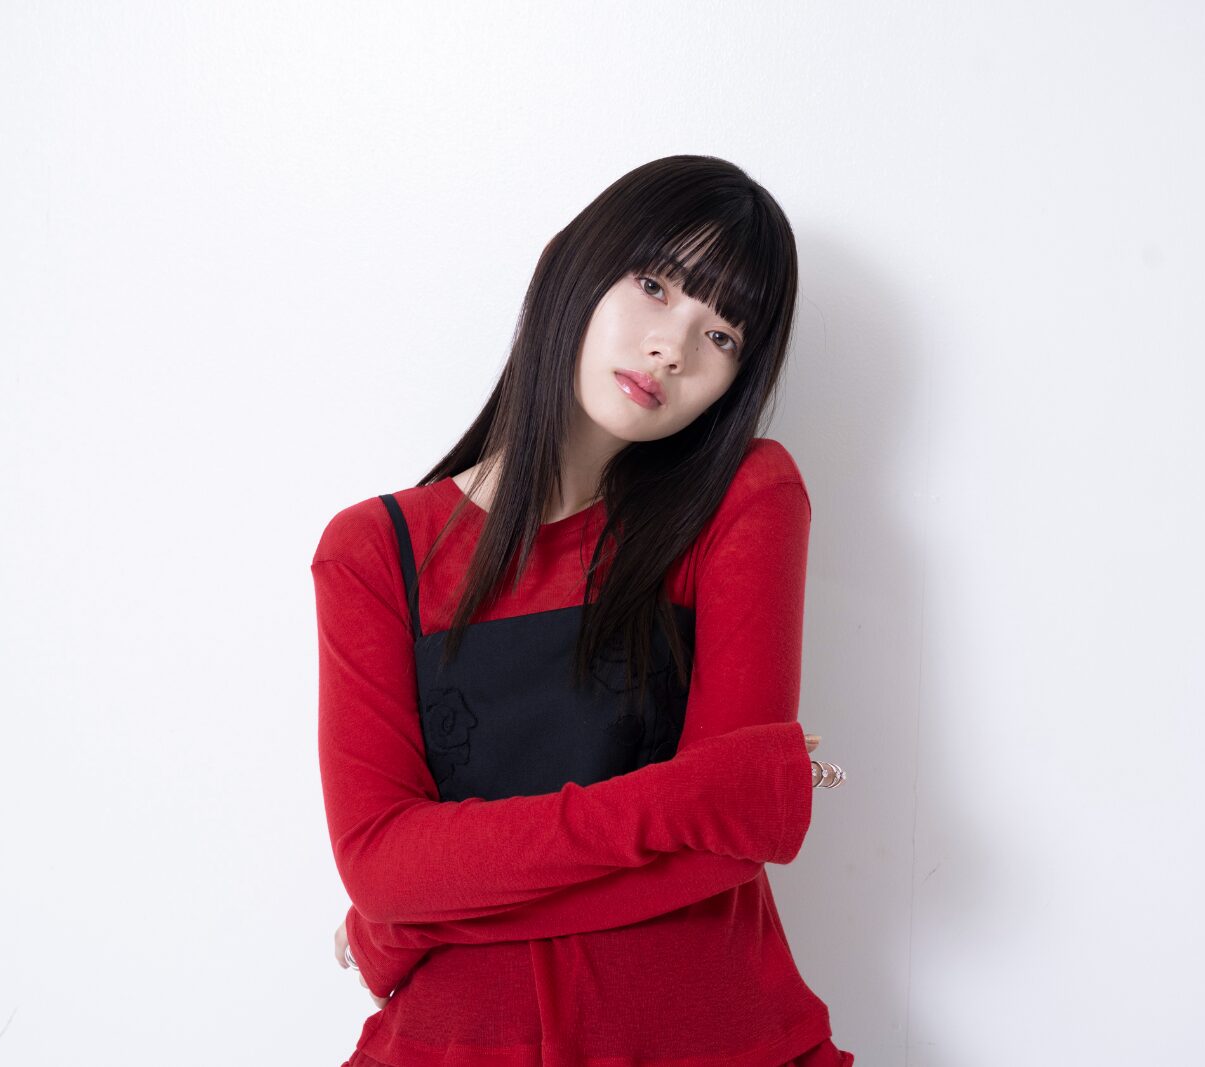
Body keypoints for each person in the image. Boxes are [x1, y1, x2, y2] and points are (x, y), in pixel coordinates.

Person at [313, 154, 853, 1066]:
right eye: (655, 285)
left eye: (722, 334)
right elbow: (382, 863)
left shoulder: (742, 499)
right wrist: (394, 899)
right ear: (568, 263)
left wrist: (402, 924)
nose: (673, 349)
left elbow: (732, 844)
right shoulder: (374, 553)